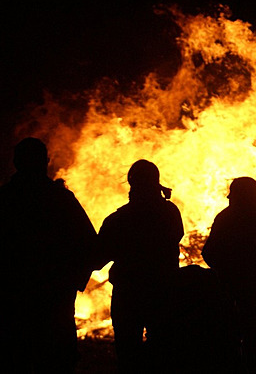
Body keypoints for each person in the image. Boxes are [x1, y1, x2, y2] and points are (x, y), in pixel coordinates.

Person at [0, 137, 97, 373]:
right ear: (46, 162)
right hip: (54, 302)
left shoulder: (5, 200)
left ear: (16, 162)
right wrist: (74, 281)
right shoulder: (61, 200)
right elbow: (91, 244)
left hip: (13, 302)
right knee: (56, 359)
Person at [94, 159, 184, 373]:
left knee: (128, 353)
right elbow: (177, 236)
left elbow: (98, 256)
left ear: (132, 184)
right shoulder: (170, 212)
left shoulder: (119, 219)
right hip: (164, 291)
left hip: (129, 295)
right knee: (163, 350)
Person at [202, 177, 256, 374]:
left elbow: (208, 252)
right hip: (254, 285)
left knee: (229, 339)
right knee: (253, 341)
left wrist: (222, 271)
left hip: (228, 287)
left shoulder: (225, 218)